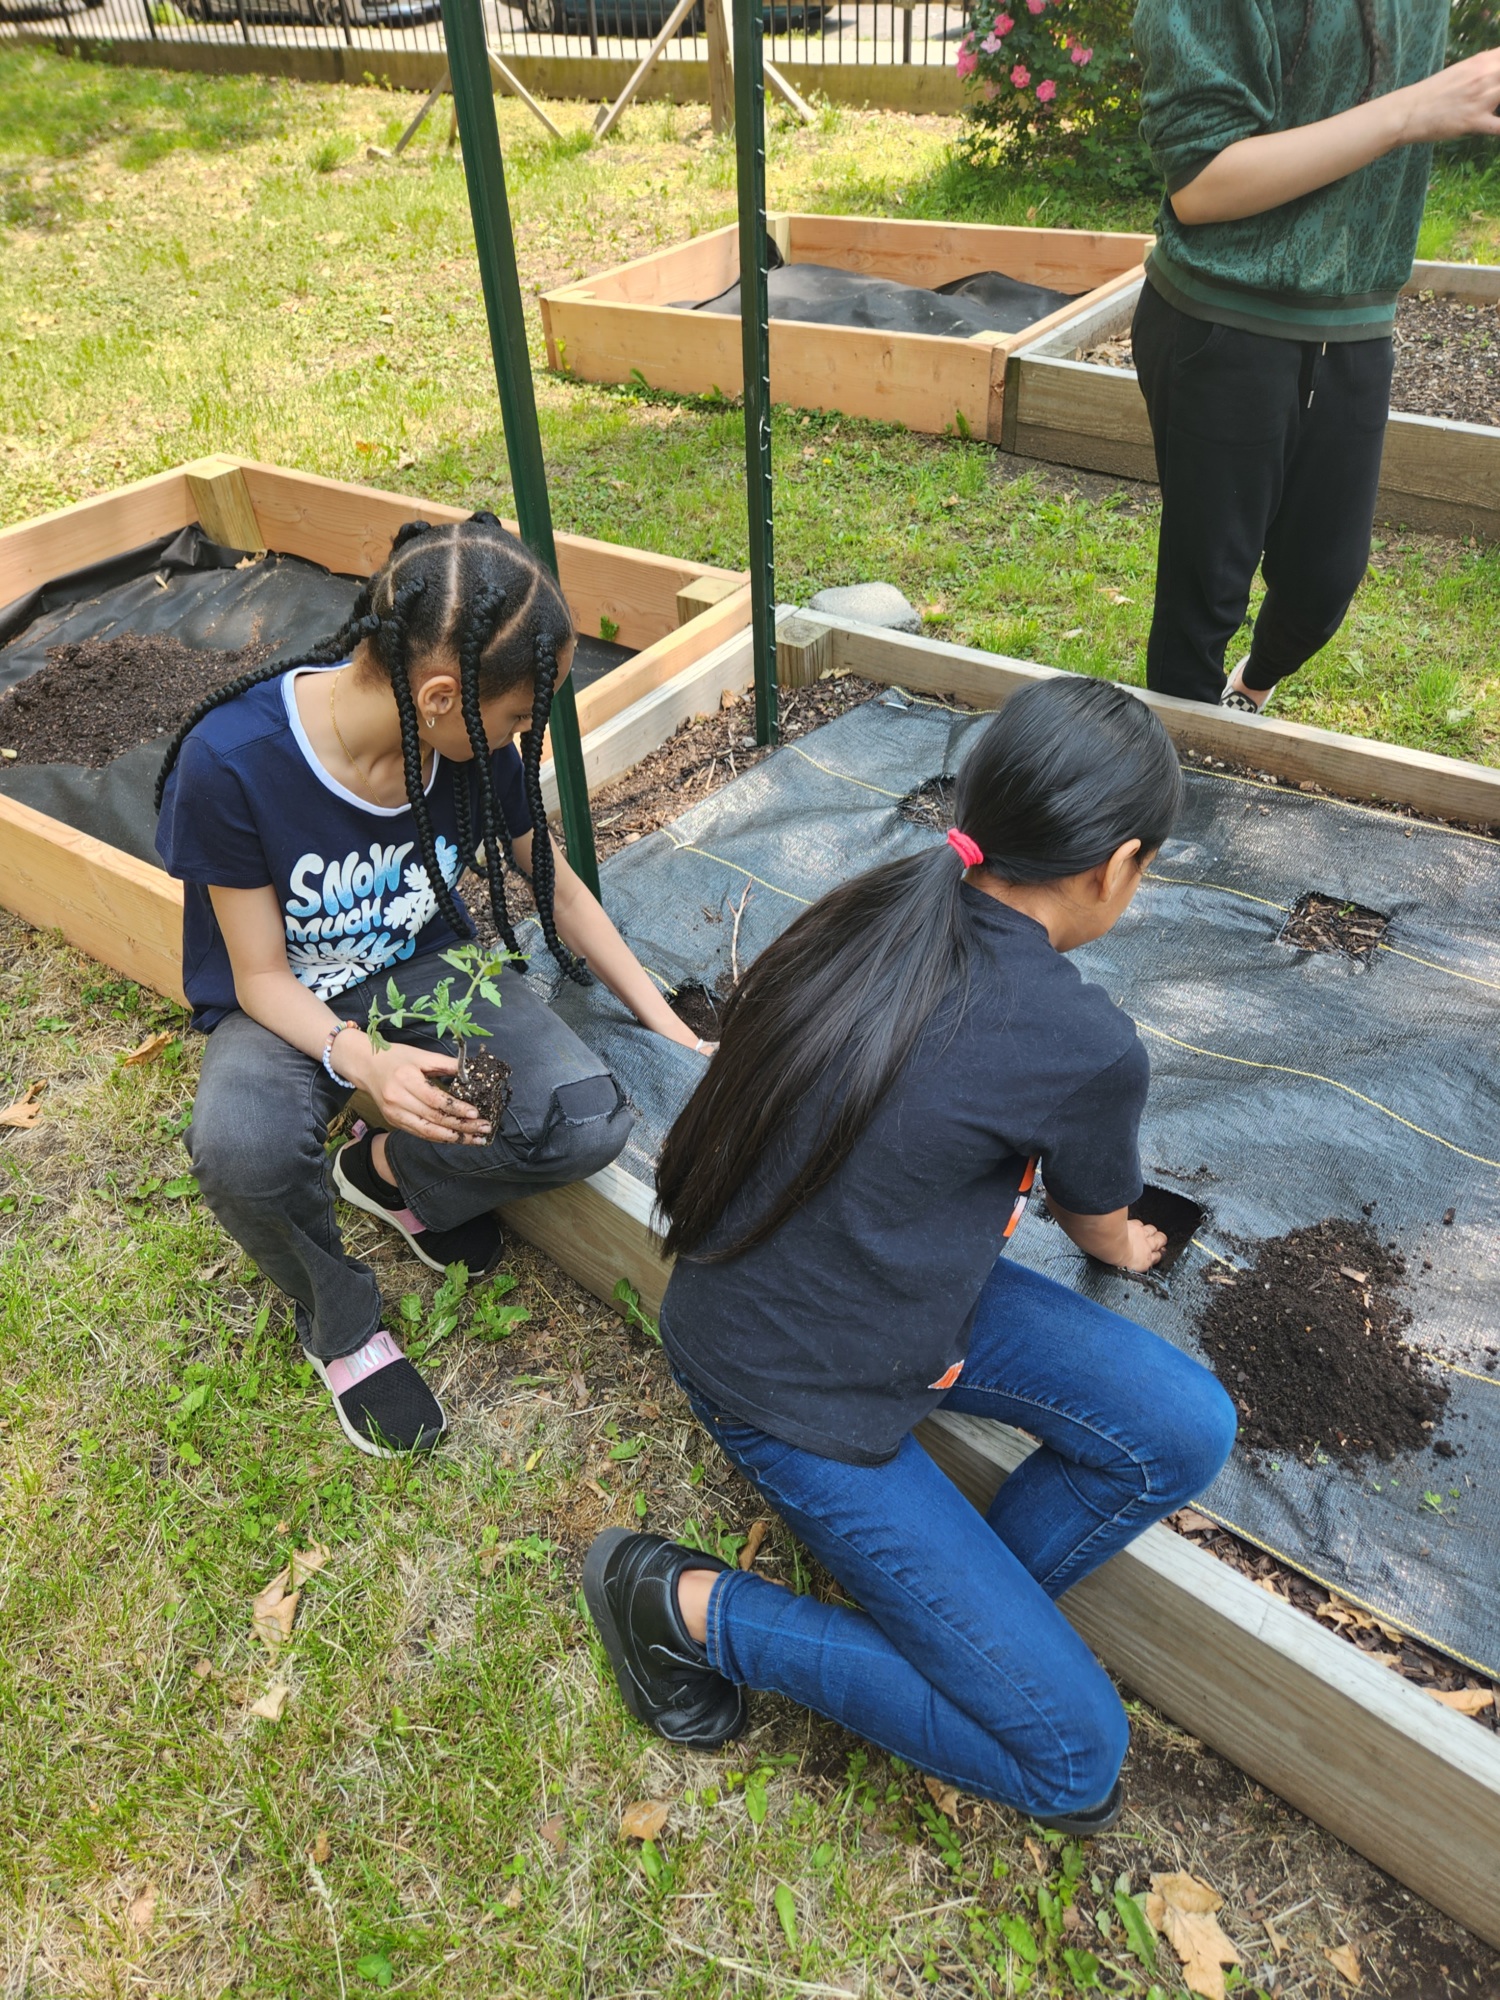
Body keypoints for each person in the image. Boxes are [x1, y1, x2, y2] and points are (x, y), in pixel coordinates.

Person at [582, 678, 1237, 1829]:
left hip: (856, 1289)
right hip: (785, 1378)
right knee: (1073, 1759)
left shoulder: (870, 909)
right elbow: (1100, 1220)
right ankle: (676, 1605)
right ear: (1116, 865)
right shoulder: (1083, 1043)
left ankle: (953, 1617)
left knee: (1185, 1426)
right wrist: (1126, 1241)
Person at [156, 513, 705, 1459]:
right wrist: (364, 1062)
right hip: (291, 1009)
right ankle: (340, 1324)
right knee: (240, 1151)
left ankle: (381, 1175)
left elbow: (555, 884)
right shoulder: (234, 763)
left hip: (423, 973)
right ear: (443, 695)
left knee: (583, 1117)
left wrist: (667, 1024)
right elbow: (257, 976)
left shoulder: (472, 752)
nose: (526, 733)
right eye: (522, 716)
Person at [1132, 1, 1500, 713]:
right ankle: (1172, 790)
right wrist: (1411, 110)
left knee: (1323, 583)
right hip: (1222, 324)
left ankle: (1248, 691)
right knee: (1204, 599)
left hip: (1357, 322)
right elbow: (1201, 184)